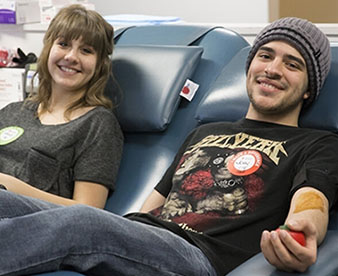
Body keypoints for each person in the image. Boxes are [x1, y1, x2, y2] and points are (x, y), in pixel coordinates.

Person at [0, 17, 337, 276]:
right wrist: (125, 229)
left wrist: (301, 229)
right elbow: (151, 207)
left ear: (309, 88)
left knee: (81, 222)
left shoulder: (317, 143)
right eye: (265, 56)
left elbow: (313, 199)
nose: (273, 69)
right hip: (144, 238)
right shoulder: (205, 131)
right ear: (250, 67)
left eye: (293, 64)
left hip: (197, 255)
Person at [0, 4, 123, 209]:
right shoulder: (12, 112)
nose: (71, 57)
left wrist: (10, 187)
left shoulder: (98, 125)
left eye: (86, 50)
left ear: (100, 64)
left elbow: (89, 211)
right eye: (64, 44)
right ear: (49, 49)